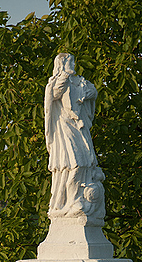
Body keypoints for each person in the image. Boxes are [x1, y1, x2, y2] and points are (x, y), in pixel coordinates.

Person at [44, 53, 105, 219]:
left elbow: (93, 91)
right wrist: (65, 75)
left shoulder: (79, 81)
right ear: (62, 64)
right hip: (64, 129)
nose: (73, 64)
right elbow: (56, 93)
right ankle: (71, 200)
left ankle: (79, 199)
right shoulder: (57, 82)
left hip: (79, 127)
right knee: (73, 164)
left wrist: (87, 92)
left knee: (85, 163)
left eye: (73, 61)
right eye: (69, 62)